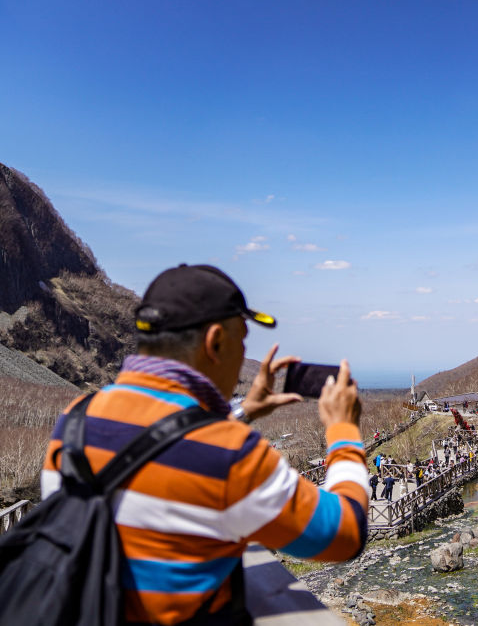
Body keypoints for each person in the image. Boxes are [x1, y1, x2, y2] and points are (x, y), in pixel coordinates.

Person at [40, 264, 368, 625]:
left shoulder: (76, 418)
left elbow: (163, 449)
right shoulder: (229, 453)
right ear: (214, 342)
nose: (244, 356)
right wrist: (343, 430)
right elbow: (345, 534)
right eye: (241, 341)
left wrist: (243, 411)